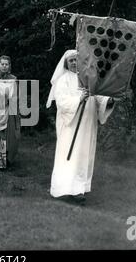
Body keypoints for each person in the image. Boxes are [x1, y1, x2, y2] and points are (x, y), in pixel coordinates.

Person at [46, 49, 115, 204]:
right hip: (70, 126)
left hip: (87, 124)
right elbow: (62, 102)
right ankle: (64, 189)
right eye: (71, 60)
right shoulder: (63, 80)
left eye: (76, 60)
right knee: (69, 155)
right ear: (66, 63)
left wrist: (108, 101)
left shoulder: (89, 78)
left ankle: (79, 189)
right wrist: (78, 99)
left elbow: (98, 96)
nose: (74, 63)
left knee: (83, 155)